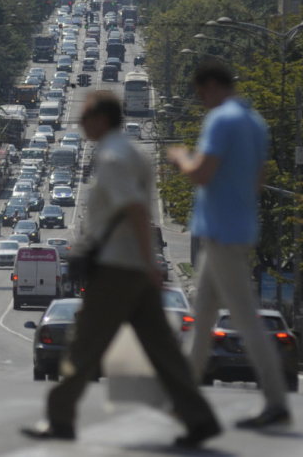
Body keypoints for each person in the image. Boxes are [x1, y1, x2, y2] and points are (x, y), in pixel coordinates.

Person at [22, 90, 221, 448]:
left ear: (101, 119)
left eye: (85, 117)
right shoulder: (133, 151)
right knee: (162, 349)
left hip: (116, 268)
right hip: (134, 269)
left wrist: (149, 263)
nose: (80, 124)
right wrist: (147, 265)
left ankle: (59, 417)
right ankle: (199, 417)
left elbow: (136, 210)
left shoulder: (113, 157)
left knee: (84, 344)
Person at [167, 60, 291, 429]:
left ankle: (276, 400)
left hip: (222, 232)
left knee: (245, 319)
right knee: (203, 317)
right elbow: (259, 178)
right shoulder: (255, 122)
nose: (202, 101)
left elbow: (201, 173)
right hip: (238, 228)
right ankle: (184, 397)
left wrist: (180, 157)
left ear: (210, 86)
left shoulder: (221, 120)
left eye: (201, 94)